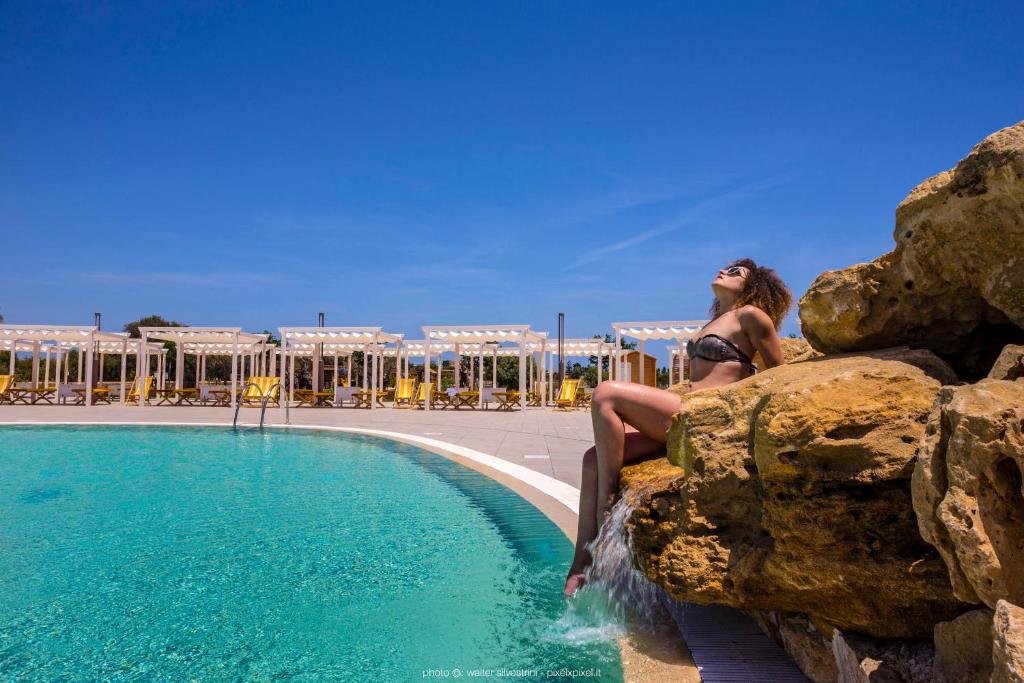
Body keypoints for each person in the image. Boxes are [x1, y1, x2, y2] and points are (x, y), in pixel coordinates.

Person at [564, 258, 793, 596]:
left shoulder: (751, 316)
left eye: (735, 272)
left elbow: (779, 375)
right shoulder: (717, 320)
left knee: (606, 393)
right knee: (591, 458)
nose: (723, 271)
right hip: (682, 413)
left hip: (703, 417)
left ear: (753, 285)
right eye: (725, 268)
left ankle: (608, 500)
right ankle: (583, 563)